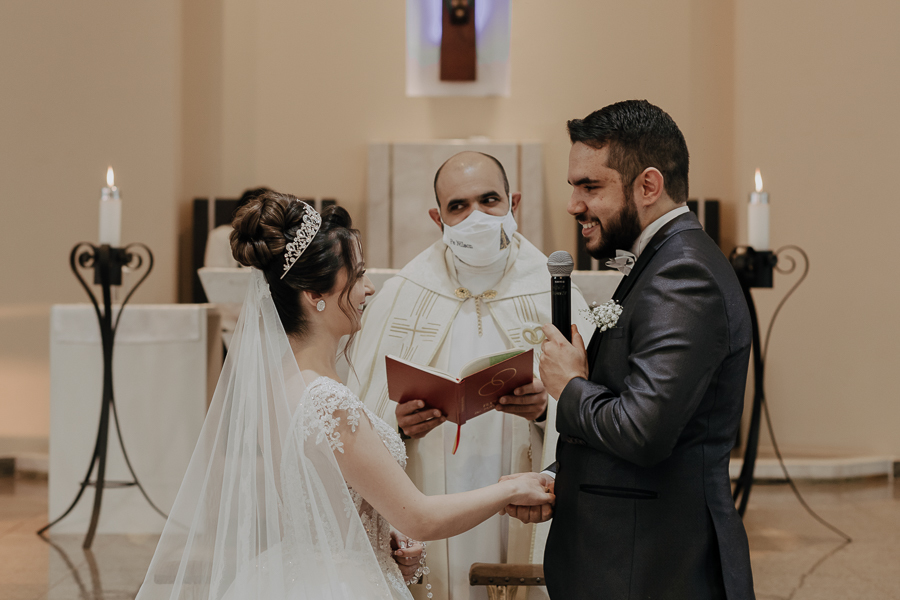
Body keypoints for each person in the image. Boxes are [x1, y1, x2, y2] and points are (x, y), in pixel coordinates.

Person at [135, 191, 554, 600]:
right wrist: (511, 490)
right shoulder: (326, 401)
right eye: (357, 276)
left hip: (303, 570)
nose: (369, 289)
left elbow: (321, 502)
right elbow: (419, 517)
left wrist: (375, 535)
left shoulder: (282, 383)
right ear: (314, 295)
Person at [506, 100, 756, 599]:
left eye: (590, 187)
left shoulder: (682, 276)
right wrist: (562, 478)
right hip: (634, 559)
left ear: (648, 185)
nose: (574, 204)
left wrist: (570, 386)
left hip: (653, 568)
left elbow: (644, 431)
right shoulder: (662, 263)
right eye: (573, 187)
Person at [349, 152, 592, 600]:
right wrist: (398, 427)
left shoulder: (553, 289)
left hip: (522, 485)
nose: (476, 216)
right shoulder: (404, 293)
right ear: (436, 217)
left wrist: (544, 411)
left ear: (513, 202)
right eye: (458, 206)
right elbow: (355, 412)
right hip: (428, 493)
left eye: (489, 200)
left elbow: (598, 405)